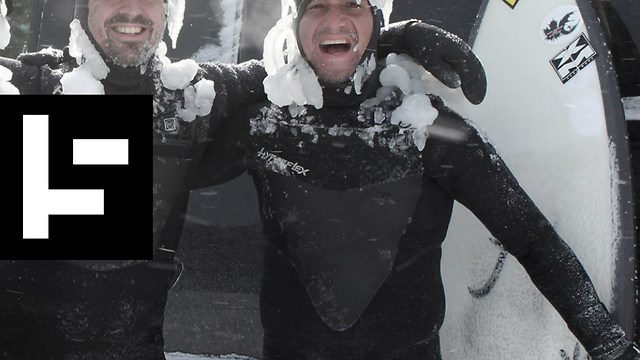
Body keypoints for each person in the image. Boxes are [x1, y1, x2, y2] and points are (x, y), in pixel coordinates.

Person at [0, 0, 489, 358]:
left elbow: (311, 60)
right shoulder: (28, 89)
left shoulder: (191, 97)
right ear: (82, 8)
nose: (131, 9)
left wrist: (393, 35)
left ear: (169, 12)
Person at [195, 0, 640, 359]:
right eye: (317, 7)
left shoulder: (428, 129)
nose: (334, 19)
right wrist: (259, 77)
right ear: (294, 22)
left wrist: (608, 343)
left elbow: (532, 239)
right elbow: (167, 174)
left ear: (375, 17)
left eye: (352, 4)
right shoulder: (263, 127)